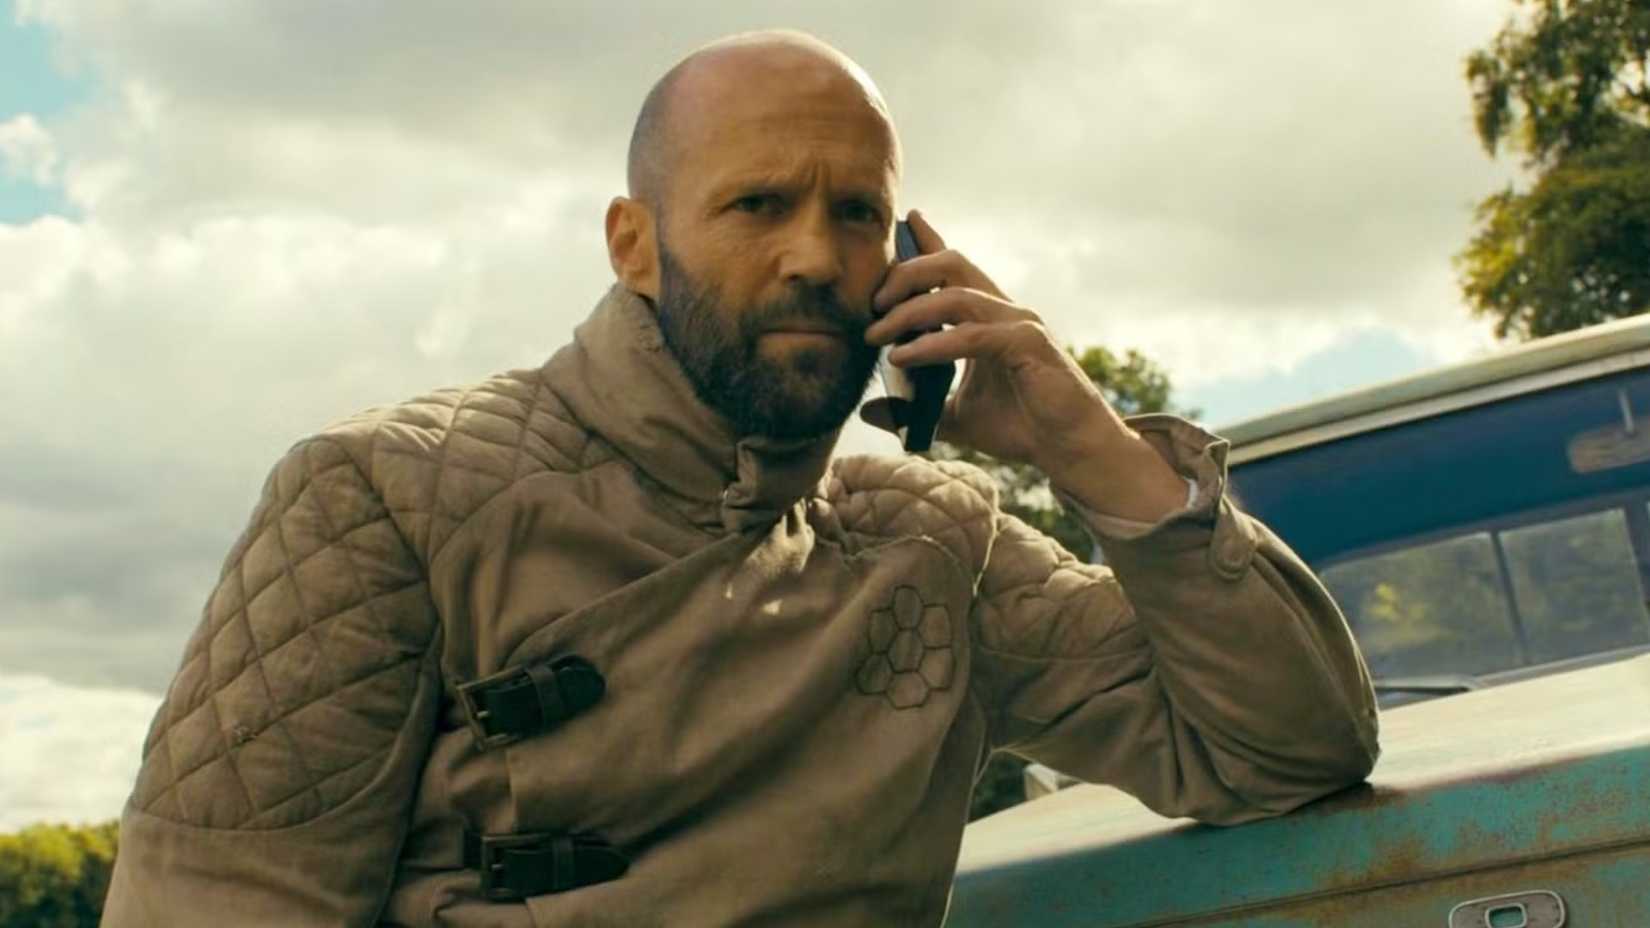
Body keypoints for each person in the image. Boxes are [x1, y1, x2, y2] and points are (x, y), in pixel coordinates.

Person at [101, 28, 1378, 928]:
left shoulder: (934, 545)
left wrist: (1083, 439)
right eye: (759, 204)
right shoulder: (389, 495)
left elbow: (1290, 750)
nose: (816, 257)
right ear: (634, 243)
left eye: (858, 213)